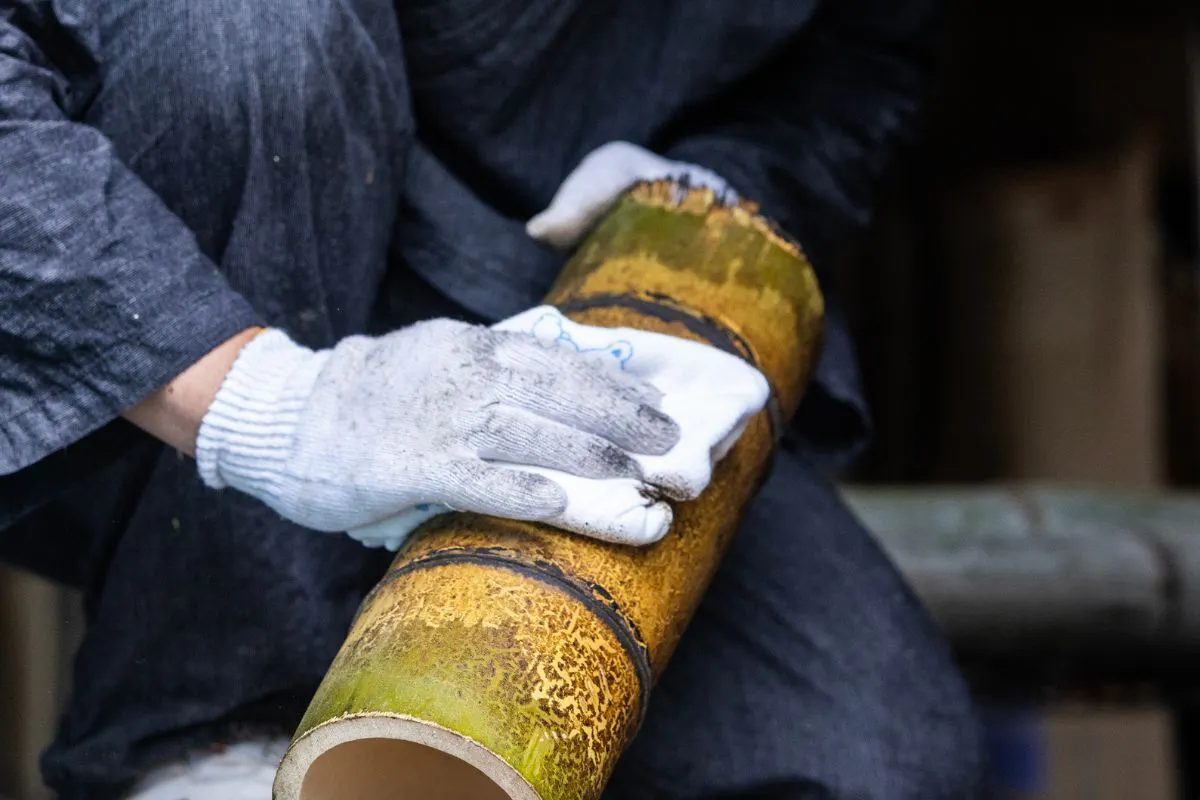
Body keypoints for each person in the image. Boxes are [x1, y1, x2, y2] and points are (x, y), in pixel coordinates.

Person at [0, 0, 984, 797]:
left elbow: (864, 59)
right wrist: (267, 403)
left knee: (877, 760)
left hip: (553, 283)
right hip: (160, 315)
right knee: (242, 29)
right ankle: (213, 725)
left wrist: (711, 186)